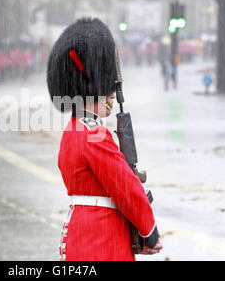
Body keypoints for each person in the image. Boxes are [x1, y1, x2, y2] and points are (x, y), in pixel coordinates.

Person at [47, 18, 162, 261]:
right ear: (95, 87)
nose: (112, 95)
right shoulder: (96, 133)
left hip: (81, 233)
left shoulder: (72, 130)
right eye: (107, 87)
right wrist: (149, 231)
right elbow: (125, 187)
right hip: (102, 239)